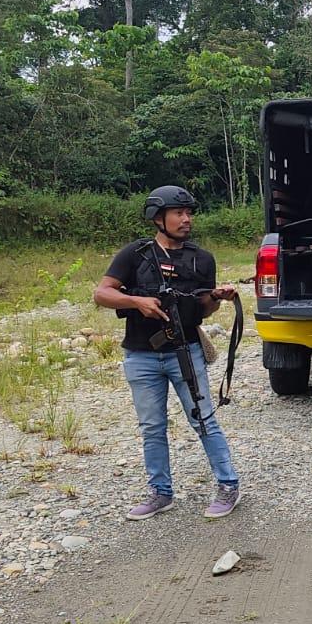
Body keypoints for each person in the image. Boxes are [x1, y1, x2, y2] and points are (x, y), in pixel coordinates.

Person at [93, 185, 242, 520]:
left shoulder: (202, 258)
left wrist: (216, 297)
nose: (186, 219)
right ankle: (160, 493)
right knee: (152, 427)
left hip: (185, 352)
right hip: (140, 356)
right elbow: (101, 294)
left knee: (203, 420)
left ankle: (228, 484)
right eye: (179, 213)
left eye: (189, 213)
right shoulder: (135, 254)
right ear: (158, 218)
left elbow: (203, 311)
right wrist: (136, 302)